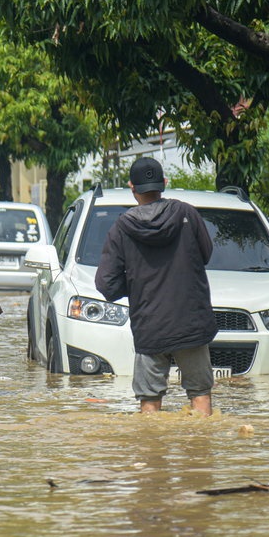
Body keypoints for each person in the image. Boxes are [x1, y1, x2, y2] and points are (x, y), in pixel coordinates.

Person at [95, 156, 218, 416]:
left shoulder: (122, 228)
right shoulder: (187, 214)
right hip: (191, 322)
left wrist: (137, 285)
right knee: (200, 393)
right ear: (164, 182)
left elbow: (106, 284)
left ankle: (152, 444)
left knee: (149, 400)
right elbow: (205, 255)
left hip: (150, 326)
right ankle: (202, 443)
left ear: (132, 187)